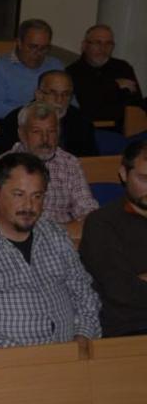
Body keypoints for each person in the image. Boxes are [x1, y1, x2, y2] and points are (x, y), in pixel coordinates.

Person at [0, 152, 101, 350]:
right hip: (1, 361)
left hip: (68, 353)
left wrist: (83, 334)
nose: (29, 205)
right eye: (19, 195)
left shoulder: (55, 234)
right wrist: (11, 352)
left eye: (37, 196)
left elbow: (83, 291)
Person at [0, 101, 98, 226]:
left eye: (51, 131)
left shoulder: (70, 163)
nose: (45, 139)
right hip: (17, 236)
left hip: (64, 236)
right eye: (36, 132)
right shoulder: (3, 165)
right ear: (22, 134)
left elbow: (88, 210)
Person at [81, 140, 147, 337]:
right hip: (130, 329)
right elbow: (122, 290)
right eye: (144, 178)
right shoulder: (101, 223)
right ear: (124, 174)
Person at [0, 70, 98, 157]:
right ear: (39, 95)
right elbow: (3, 161)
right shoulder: (15, 119)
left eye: (66, 94)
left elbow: (91, 161)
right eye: (53, 93)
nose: (59, 100)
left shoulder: (81, 121)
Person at [0, 18, 64, 119]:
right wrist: (39, 112)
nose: (38, 53)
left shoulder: (56, 66)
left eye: (44, 48)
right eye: (33, 47)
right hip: (15, 126)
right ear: (19, 43)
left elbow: (70, 102)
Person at [67, 24, 144, 125]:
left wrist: (100, 93)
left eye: (108, 43)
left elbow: (135, 104)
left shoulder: (123, 67)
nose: (103, 48)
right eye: (97, 43)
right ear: (84, 45)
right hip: (90, 129)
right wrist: (115, 86)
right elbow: (86, 107)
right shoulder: (72, 72)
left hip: (128, 128)